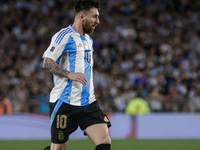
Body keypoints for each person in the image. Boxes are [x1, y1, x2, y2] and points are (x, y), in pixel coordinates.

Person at [42, 0, 111, 150]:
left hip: (88, 103)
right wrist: (69, 74)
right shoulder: (64, 36)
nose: (97, 21)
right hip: (65, 103)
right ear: (81, 16)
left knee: (104, 142)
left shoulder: (88, 40)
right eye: (94, 17)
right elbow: (47, 62)